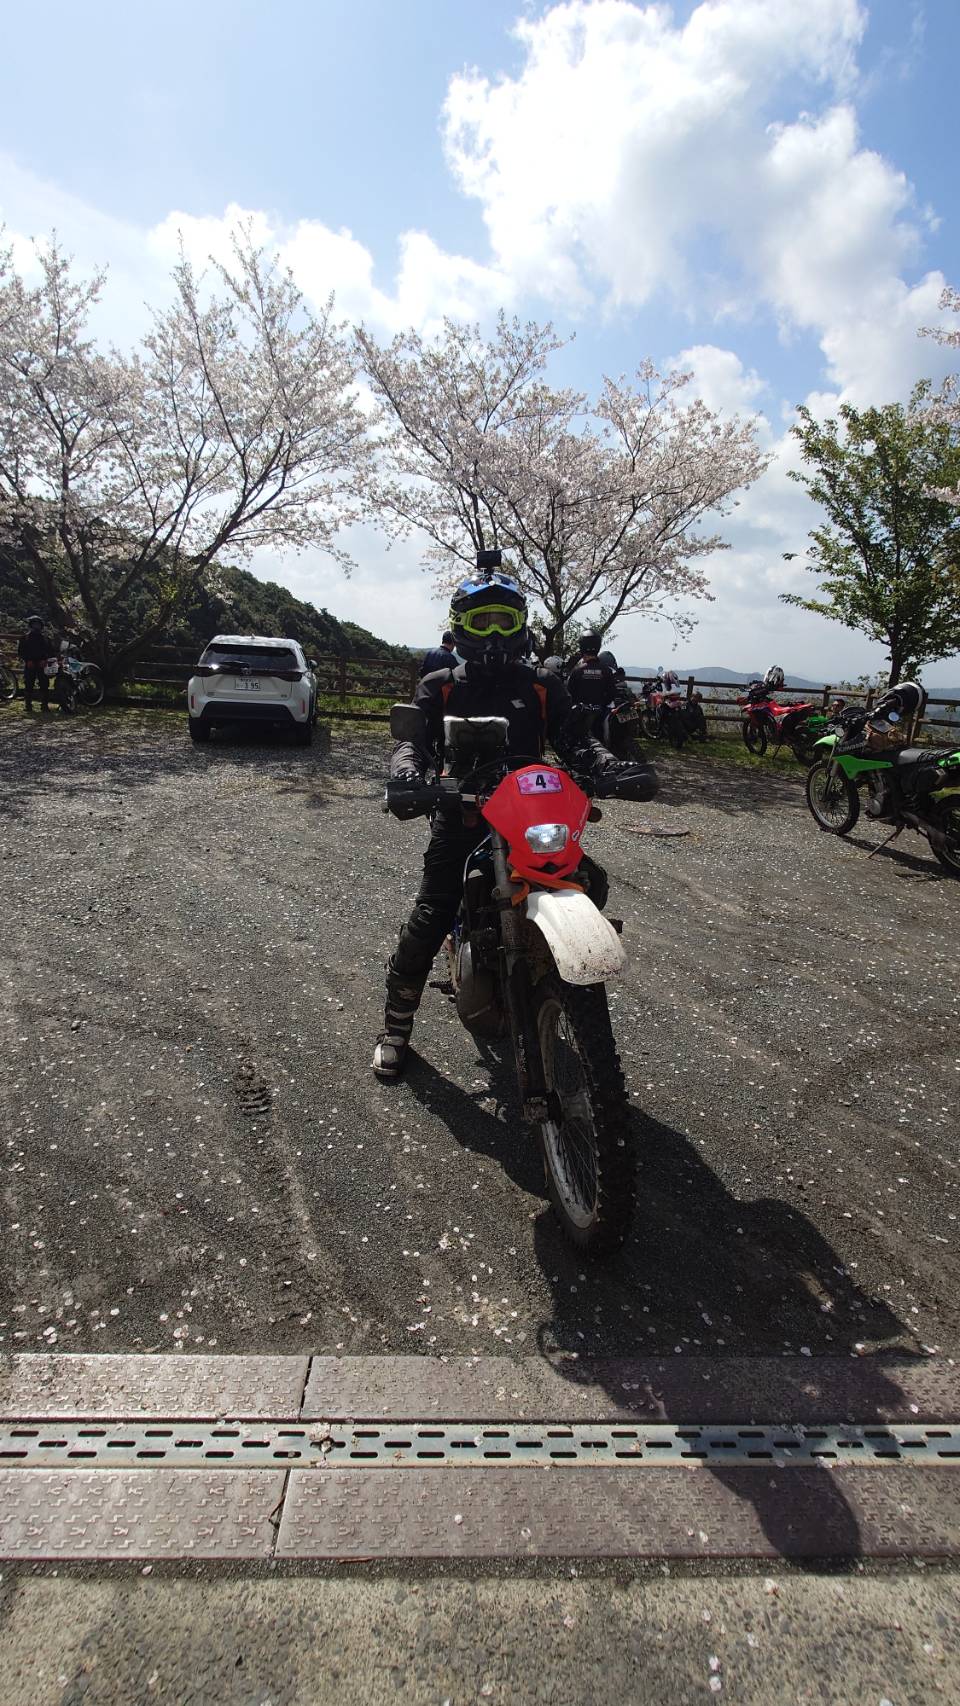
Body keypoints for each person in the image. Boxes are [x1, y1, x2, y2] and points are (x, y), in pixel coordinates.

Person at [374, 564, 656, 1079]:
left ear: (522, 624)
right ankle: (396, 1026)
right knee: (433, 912)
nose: (495, 633)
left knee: (588, 881)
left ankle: (550, 971)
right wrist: (409, 772)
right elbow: (412, 741)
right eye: (482, 621)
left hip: (529, 816)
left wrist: (609, 766)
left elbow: (575, 739)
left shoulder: (543, 684)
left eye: (504, 620)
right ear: (461, 625)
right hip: (461, 810)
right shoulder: (441, 686)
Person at [566, 634, 618, 722]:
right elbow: (612, 693)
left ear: (582, 647)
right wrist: (601, 705)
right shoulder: (607, 670)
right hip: (601, 716)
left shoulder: (577, 670)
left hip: (580, 717)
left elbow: (570, 693)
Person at [18, 615, 54, 713]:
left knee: (44, 685)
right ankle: (28, 705)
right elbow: (21, 652)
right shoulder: (24, 638)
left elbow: (51, 652)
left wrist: (45, 660)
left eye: (38, 624)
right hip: (30, 664)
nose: (36, 626)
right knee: (28, 684)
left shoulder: (46, 638)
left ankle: (44, 705)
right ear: (30, 625)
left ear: (41, 626)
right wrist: (27, 660)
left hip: (42, 665)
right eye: (34, 624)